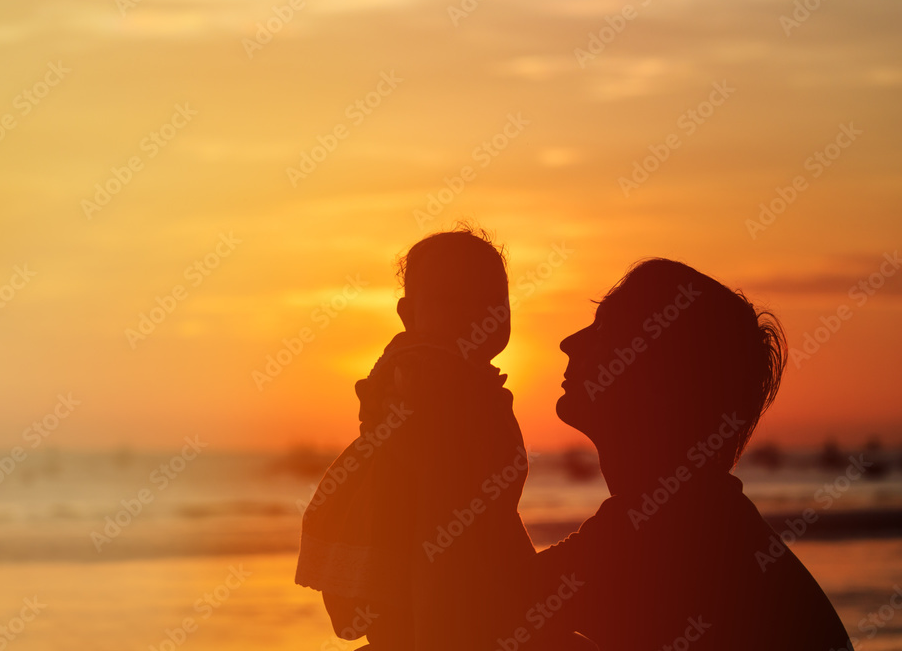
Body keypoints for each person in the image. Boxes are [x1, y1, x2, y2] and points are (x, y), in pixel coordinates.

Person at [528, 258, 854, 650]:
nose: (569, 342)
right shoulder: (693, 517)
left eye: (604, 328)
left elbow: (485, 600)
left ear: (659, 381)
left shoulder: (664, 538)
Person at [295, 226, 544, 650]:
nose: (476, 313)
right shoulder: (433, 380)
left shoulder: (460, 379)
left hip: (445, 561)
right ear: (409, 316)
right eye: (452, 301)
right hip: (430, 568)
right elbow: (444, 512)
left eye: (491, 299)